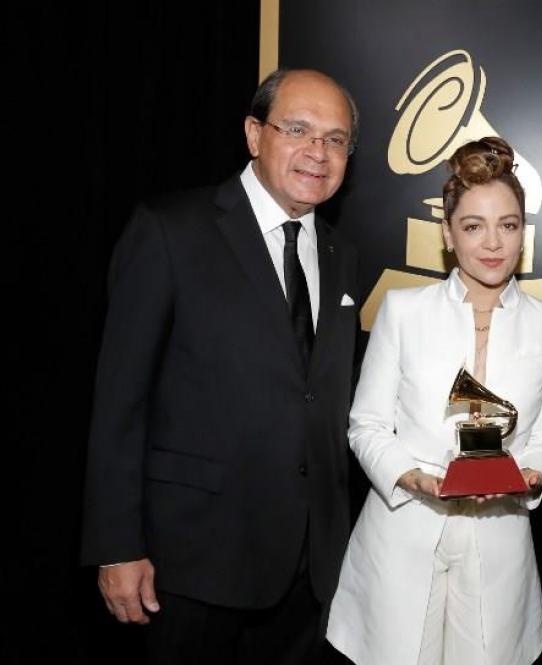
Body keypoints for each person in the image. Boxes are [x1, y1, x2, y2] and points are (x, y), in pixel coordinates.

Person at [81, 68, 360, 664]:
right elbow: (118, 403)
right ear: (254, 134)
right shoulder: (168, 230)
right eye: (299, 129)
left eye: (336, 139)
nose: (319, 152)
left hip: (308, 567)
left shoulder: (342, 253)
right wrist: (115, 545)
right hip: (189, 561)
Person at [327, 137, 542, 665]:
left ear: (523, 233)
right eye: (473, 226)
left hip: (500, 541)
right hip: (403, 533)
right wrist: (410, 477)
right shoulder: (403, 311)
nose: (493, 243)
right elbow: (366, 425)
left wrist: (531, 474)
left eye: (508, 225)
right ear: (447, 233)